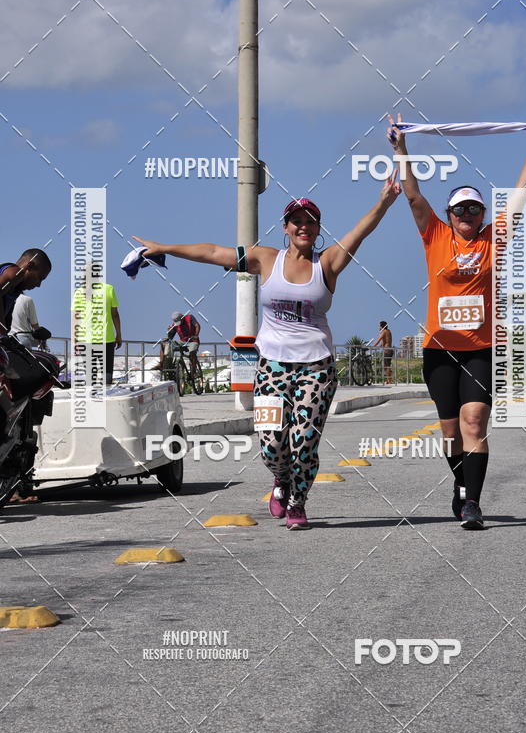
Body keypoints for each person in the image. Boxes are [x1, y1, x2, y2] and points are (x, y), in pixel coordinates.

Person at [133, 175, 400, 530]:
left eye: (311, 221)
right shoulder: (265, 259)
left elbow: (360, 231)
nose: (304, 226)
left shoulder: (328, 263)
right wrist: (165, 248)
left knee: (303, 440)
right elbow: (214, 252)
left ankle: (297, 503)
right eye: (297, 221)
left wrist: (383, 201)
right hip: (272, 366)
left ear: (317, 228)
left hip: (316, 368)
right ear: (286, 227)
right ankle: (281, 479)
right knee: (272, 443)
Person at [387, 112, 526, 529]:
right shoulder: (435, 235)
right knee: (450, 434)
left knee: (474, 421)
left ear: (481, 213)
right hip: (438, 352)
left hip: (481, 349)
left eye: (474, 209)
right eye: (460, 209)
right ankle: (460, 488)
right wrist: (401, 148)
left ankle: (473, 503)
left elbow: (521, 190)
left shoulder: (495, 237)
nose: (468, 215)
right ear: (450, 213)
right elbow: (413, 195)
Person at [0, 249, 52, 503]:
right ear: (29, 266)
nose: (39, 284)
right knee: (39, 372)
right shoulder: (12, 273)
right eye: (40, 276)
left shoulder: (15, 289)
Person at [72, 276, 122, 385]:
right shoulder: (109, 289)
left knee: (90, 374)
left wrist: (75, 339)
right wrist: (118, 334)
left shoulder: (79, 292)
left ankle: (92, 398)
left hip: (85, 339)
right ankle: (107, 398)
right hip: (106, 338)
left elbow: (76, 317)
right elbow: (115, 314)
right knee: (107, 373)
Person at [158, 311, 201, 377]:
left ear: (182, 317)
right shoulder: (175, 324)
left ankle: (194, 370)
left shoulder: (189, 317)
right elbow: (170, 337)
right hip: (182, 341)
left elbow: (197, 326)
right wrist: (169, 331)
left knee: (192, 352)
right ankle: (162, 364)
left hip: (192, 340)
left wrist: (196, 335)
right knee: (164, 344)